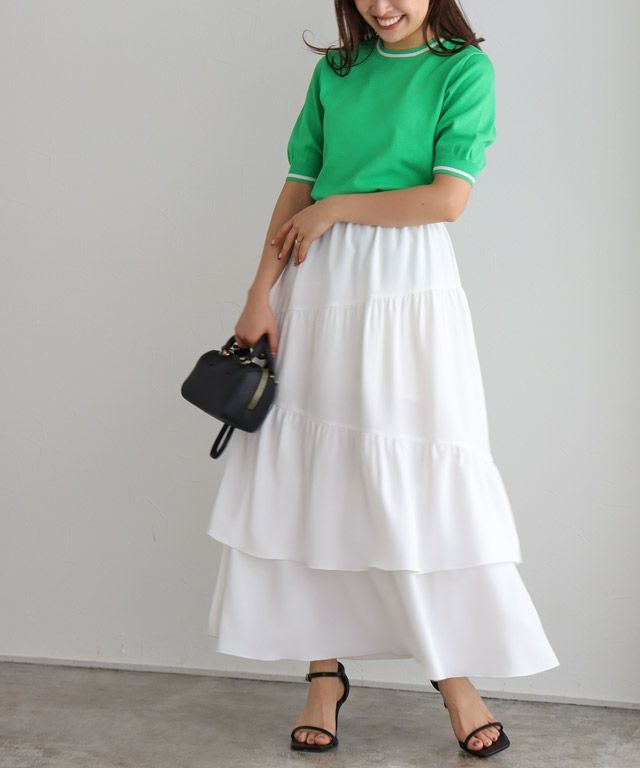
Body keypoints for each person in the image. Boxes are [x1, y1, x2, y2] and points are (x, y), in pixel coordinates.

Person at [205, 0, 560, 758]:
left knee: (415, 479)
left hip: (408, 287)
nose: (380, 5)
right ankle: (322, 676)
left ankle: (452, 677)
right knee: (318, 480)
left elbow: (447, 199)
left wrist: (338, 207)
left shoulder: (463, 70)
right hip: (317, 285)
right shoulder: (337, 71)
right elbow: (296, 190)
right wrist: (259, 293)